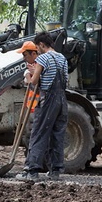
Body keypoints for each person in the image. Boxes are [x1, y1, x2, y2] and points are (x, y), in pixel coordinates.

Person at [18, 31, 69, 180]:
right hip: (62, 99)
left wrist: (28, 74)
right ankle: (55, 170)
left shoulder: (43, 58)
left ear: (41, 45)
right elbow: (63, 79)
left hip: (48, 100)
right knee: (57, 135)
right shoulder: (62, 58)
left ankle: (31, 170)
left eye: (37, 47)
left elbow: (34, 82)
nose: (37, 50)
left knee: (39, 133)